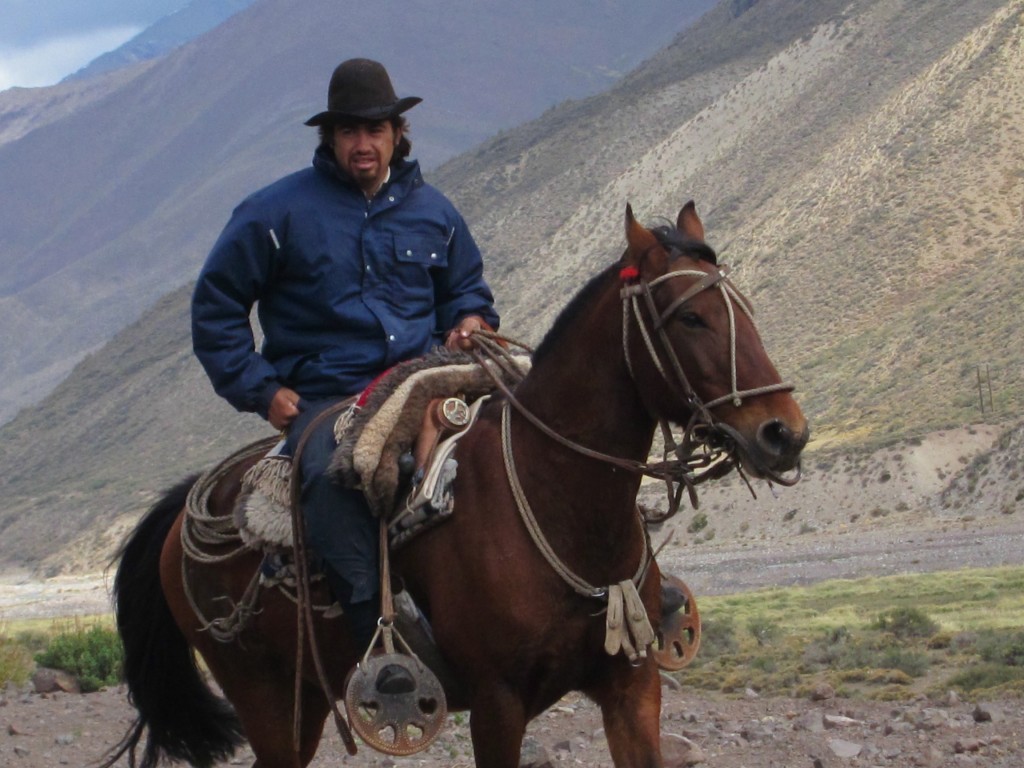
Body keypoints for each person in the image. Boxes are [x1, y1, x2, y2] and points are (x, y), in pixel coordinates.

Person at [191, 58, 499, 690]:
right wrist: (262, 390)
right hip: (329, 396)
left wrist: (471, 320)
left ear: (397, 133)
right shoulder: (273, 214)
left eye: (377, 129)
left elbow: (466, 290)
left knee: (522, 437)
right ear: (329, 138)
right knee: (337, 474)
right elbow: (216, 306)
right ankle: (379, 646)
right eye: (350, 131)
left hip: (425, 380)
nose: (364, 143)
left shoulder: (435, 212)